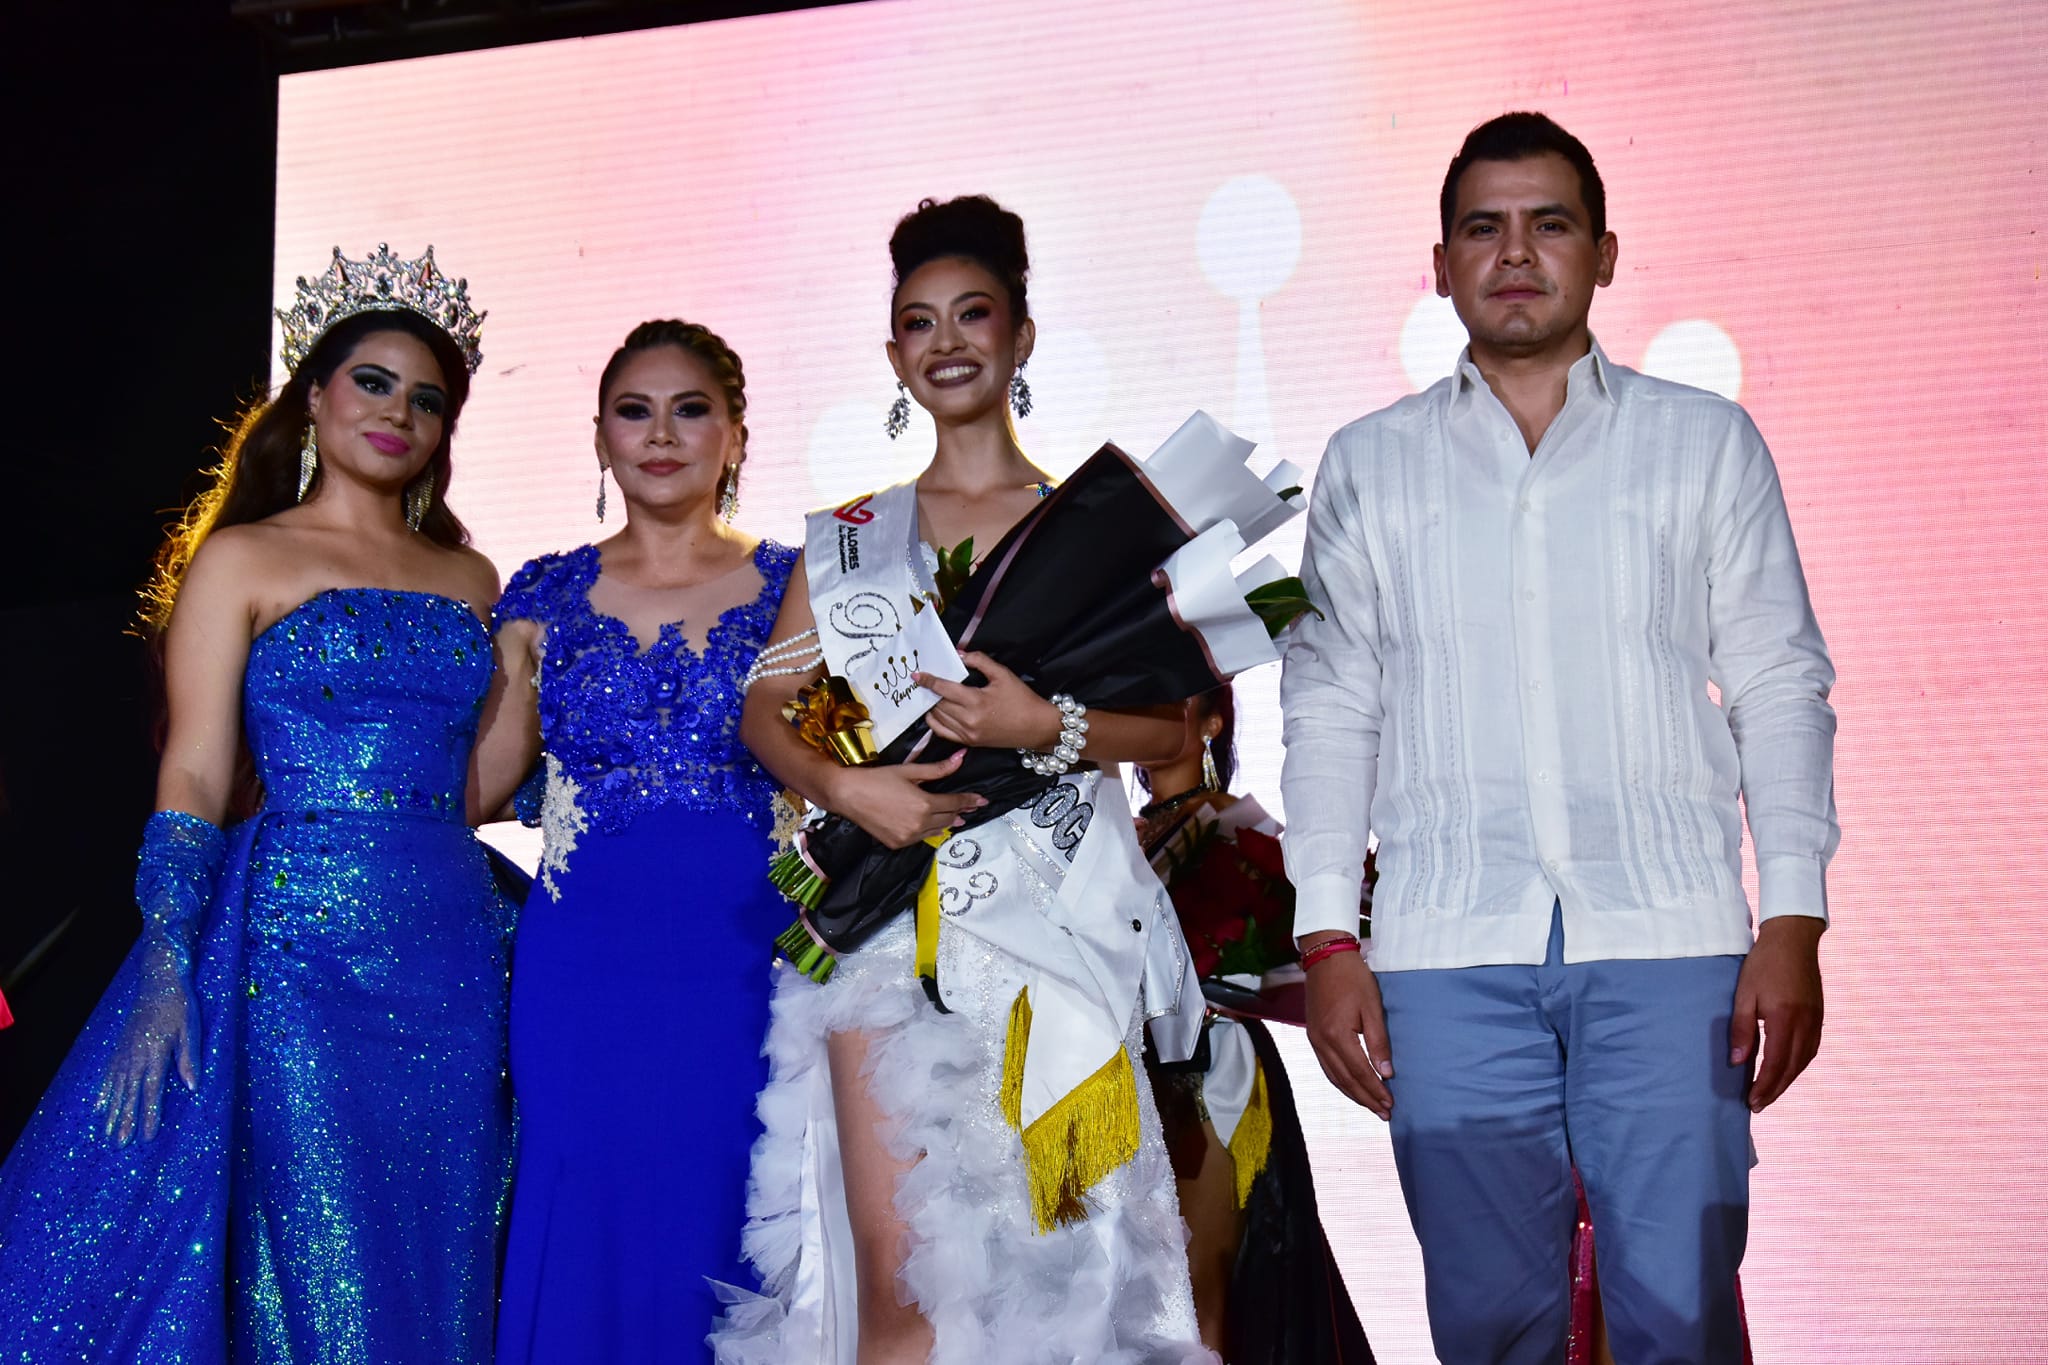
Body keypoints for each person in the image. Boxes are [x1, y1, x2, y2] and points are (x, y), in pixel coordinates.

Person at [1280, 112, 1837, 1364]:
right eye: (1484, 227)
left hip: (1668, 937)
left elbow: (1776, 685)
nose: (1515, 252)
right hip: (1440, 946)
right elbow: (1328, 708)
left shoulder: (1701, 444)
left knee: (1678, 1317)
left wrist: (1790, 919)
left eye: (1549, 224)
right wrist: (1327, 937)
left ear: (1603, 252)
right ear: (1438, 264)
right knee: (1487, 1325)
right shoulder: (1369, 465)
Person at [0, 245, 516, 1361]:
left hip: (450, 946)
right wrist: (164, 957)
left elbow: (479, 784)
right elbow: (191, 770)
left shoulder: (474, 582)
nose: (399, 413)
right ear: (316, 397)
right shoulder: (242, 557)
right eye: (373, 382)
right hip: (297, 948)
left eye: (426, 399)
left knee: (443, 1232)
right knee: (320, 1255)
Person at [719, 195, 1210, 1364]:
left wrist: (1048, 721)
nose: (945, 342)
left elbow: (1173, 739)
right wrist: (853, 792)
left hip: (1055, 924)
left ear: (1020, 336)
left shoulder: (1093, 532)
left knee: (1070, 1267)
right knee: (903, 1287)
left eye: (972, 315)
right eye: (917, 322)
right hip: (883, 928)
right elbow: (765, 711)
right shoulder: (853, 537)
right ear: (892, 353)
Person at [474, 319, 798, 1363]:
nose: (661, 434)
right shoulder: (540, 594)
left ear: (736, 437)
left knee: (746, 1206)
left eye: (690, 409)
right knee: (593, 1212)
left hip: (756, 958)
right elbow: (481, 783)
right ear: (601, 437)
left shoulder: (804, 583)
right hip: (587, 972)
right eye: (634, 410)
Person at [1134, 686, 1374, 1364]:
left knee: (1195, 1283)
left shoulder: (1236, 827)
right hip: (1131, 1074)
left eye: (1165, 696)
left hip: (1212, 1068)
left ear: (1213, 720)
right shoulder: (1116, 833)